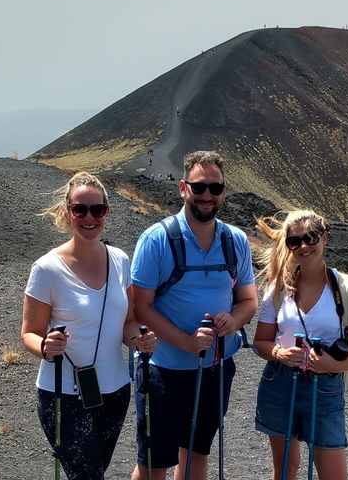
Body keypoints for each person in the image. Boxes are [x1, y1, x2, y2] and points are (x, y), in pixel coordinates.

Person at [130, 151, 258, 480]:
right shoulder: (156, 240)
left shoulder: (236, 241)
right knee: (154, 465)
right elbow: (140, 308)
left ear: (224, 192)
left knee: (197, 455)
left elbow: (247, 301)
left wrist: (234, 320)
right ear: (183, 188)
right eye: (199, 187)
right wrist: (186, 342)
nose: (207, 196)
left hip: (216, 369)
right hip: (163, 370)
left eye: (215, 189)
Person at [21, 171, 156, 480]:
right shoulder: (46, 270)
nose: (89, 217)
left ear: (107, 212)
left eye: (98, 209)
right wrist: (44, 347)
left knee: (93, 473)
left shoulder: (120, 260)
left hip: (116, 391)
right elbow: (29, 333)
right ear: (68, 212)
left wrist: (140, 341)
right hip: (63, 395)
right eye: (79, 209)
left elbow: (129, 321)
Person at [252, 210, 348, 480]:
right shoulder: (277, 288)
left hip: (326, 388)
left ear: (325, 237)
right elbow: (260, 342)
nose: (304, 246)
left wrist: (334, 364)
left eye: (311, 238)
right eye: (294, 241)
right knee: (285, 470)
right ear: (288, 246)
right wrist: (279, 353)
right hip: (280, 384)